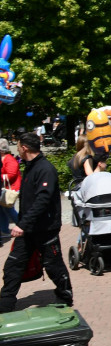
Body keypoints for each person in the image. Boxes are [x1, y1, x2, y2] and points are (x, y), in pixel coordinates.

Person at [0, 134, 74, 312]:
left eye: (17, 146)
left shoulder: (45, 169)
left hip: (45, 228)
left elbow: (43, 200)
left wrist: (22, 224)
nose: (16, 149)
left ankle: (65, 296)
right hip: (29, 229)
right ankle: (6, 303)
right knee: (13, 265)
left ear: (24, 147)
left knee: (53, 264)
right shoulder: (30, 167)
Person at [0, 138, 22, 242]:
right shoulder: (3, 158)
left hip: (11, 189)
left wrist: (0, 177)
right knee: (2, 209)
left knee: (9, 209)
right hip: (5, 188)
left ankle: (22, 226)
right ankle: (4, 230)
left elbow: (12, 175)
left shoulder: (9, 159)